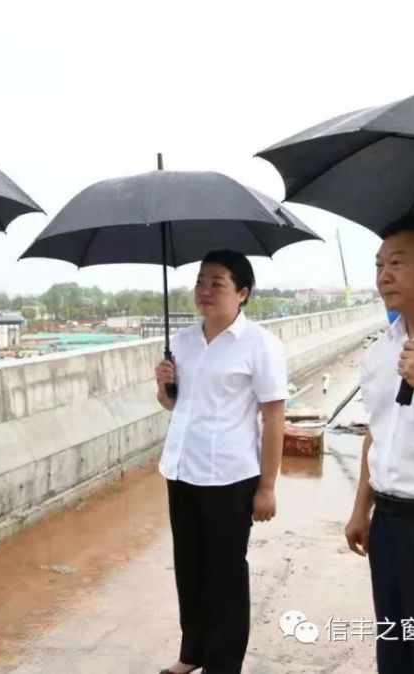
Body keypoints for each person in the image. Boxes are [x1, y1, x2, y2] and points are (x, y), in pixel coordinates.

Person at [154, 250, 287, 674]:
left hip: (230, 477)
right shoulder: (184, 342)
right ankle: (192, 653)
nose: (205, 291)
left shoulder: (260, 345)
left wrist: (267, 487)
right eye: (200, 282)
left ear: (243, 293)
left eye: (217, 283)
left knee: (225, 576)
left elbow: (273, 417)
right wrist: (164, 386)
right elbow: (174, 406)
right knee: (189, 569)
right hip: (182, 470)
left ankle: (223, 664)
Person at [344, 215, 414, 672]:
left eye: (398, 262)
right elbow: (378, 428)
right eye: (378, 264)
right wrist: (361, 508)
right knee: (396, 651)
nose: (383, 275)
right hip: (388, 528)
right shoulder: (383, 349)